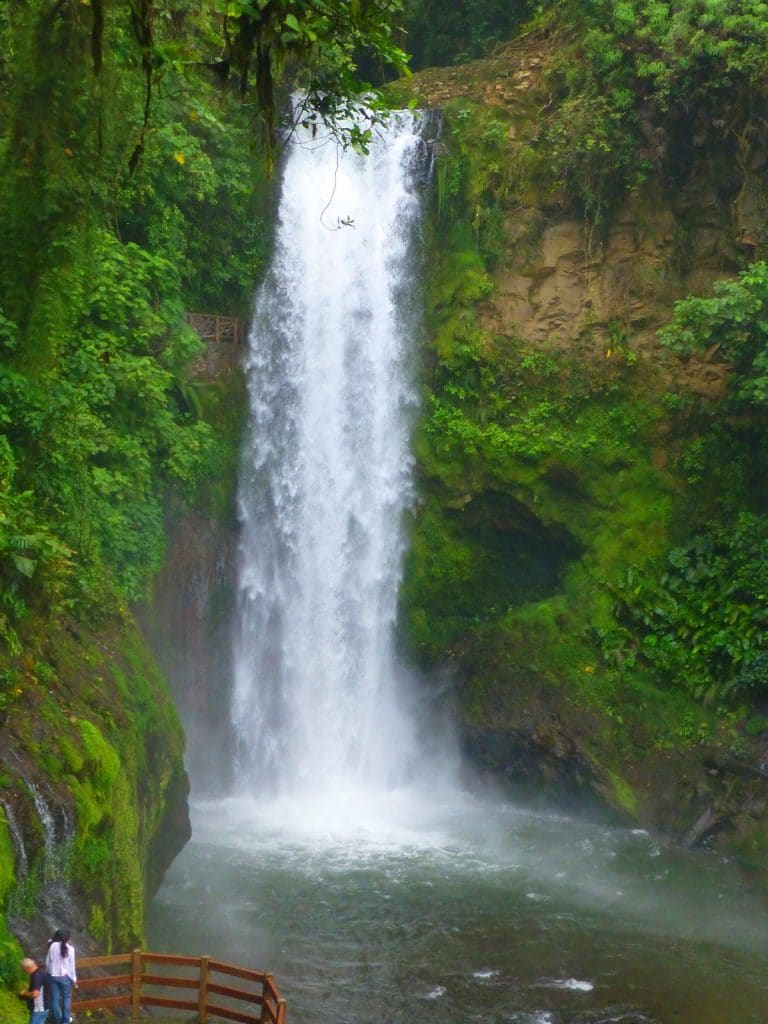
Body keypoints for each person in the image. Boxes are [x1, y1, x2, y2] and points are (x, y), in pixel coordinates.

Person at [45, 930, 76, 1024]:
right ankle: (66, 1020)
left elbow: (48, 961)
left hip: (53, 976)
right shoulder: (70, 949)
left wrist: (47, 973)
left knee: (54, 998)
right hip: (65, 977)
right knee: (66, 997)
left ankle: (58, 1020)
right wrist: (74, 979)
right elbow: (71, 966)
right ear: (67, 939)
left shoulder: (52, 946)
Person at [19, 956, 48, 1024]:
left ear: (28, 968)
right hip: (44, 1007)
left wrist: (24, 993)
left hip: (38, 1008)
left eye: (24, 970)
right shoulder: (41, 971)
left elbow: (35, 994)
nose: (24, 972)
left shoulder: (36, 976)